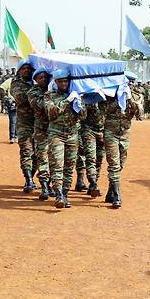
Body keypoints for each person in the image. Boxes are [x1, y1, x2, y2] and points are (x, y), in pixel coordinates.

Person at [44, 69, 86, 208]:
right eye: (61, 81)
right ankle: (58, 195)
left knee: (69, 166)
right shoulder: (49, 95)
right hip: (56, 134)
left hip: (72, 134)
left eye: (66, 81)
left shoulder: (75, 94)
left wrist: (79, 103)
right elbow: (52, 113)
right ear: (55, 82)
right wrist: (67, 101)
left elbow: (83, 116)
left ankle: (65, 194)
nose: (63, 83)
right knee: (57, 165)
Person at [103, 71, 141, 208]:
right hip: (110, 133)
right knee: (114, 163)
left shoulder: (137, 96)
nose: (130, 84)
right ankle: (117, 196)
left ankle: (110, 191)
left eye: (132, 83)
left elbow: (139, 114)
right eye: (127, 82)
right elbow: (105, 110)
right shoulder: (110, 95)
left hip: (124, 134)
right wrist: (118, 99)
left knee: (120, 164)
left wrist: (129, 99)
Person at [10, 60, 37, 193]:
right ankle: (29, 180)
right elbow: (20, 97)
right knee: (26, 151)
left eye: (29, 68)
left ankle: (30, 178)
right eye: (24, 68)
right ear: (19, 70)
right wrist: (36, 90)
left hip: (38, 123)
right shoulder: (16, 83)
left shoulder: (36, 81)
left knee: (38, 154)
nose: (26, 70)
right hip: (24, 123)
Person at [27, 68, 54, 201]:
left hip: (55, 130)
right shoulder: (33, 92)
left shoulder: (55, 90)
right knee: (43, 158)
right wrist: (50, 93)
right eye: (40, 78)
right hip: (41, 131)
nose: (43, 79)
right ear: (36, 80)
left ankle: (50, 186)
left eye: (45, 77)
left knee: (54, 159)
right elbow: (40, 105)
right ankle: (44, 187)